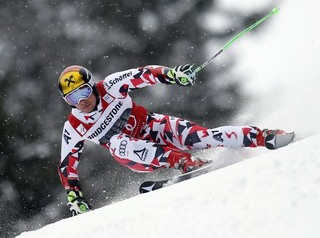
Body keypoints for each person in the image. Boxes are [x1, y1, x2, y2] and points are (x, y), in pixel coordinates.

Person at [57, 64, 291, 216]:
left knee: (204, 137)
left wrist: (172, 75)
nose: (81, 101)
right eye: (72, 98)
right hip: (134, 154)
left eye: (84, 92)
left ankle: (263, 136)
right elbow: (67, 167)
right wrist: (74, 196)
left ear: (92, 86)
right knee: (118, 142)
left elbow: (144, 74)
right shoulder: (74, 126)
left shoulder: (110, 86)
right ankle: (184, 162)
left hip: (152, 126)